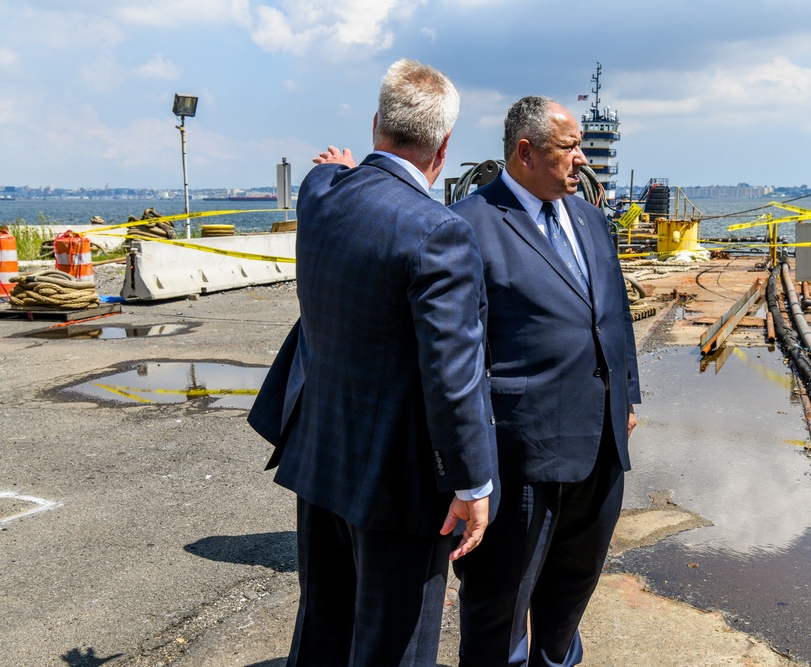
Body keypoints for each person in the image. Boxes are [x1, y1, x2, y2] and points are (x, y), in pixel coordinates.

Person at [247, 59, 497, 667]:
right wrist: (473, 482)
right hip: (399, 487)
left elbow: (328, 175)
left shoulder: (321, 197)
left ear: (376, 123)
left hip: (322, 459)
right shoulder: (439, 232)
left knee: (324, 630)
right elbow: (452, 375)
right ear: (444, 149)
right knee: (395, 646)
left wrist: (343, 165)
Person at [447, 96, 641, 667]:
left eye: (583, 145)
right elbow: (455, 355)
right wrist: (466, 461)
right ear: (526, 152)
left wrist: (627, 393)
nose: (581, 159)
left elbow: (614, 314)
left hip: (600, 444)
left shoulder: (587, 218)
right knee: (500, 604)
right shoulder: (469, 226)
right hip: (521, 452)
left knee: (571, 595)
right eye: (569, 148)